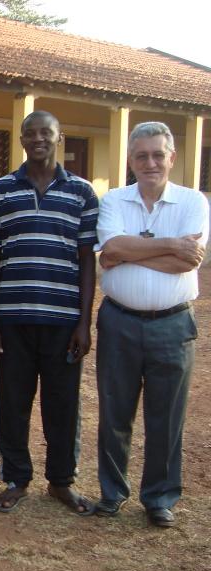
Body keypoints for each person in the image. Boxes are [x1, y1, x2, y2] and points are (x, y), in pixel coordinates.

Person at [0, 111, 98, 515]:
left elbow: (86, 260)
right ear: (21, 139)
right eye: (29, 133)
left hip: (63, 321)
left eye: (45, 132)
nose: (37, 139)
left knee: (62, 404)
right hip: (12, 320)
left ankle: (61, 482)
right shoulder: (0, 190)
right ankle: (16, 479)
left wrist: (84, 322)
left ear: (59, 137)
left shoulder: (81, 193)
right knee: (13, 403)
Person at [95, 121, 208, 528]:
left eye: (158, 155)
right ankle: (112, 493)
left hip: (172, 327)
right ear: (130, 160)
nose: (150, 163)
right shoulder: (113, 200)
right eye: (141, 155)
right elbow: (109, 249)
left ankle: (159, 497)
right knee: (114, 413)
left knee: (166, 416)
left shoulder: (193, 202)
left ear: (171, 158)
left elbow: (188, 260)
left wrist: (129, 251)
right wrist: (168, 246)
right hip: (119, 322)